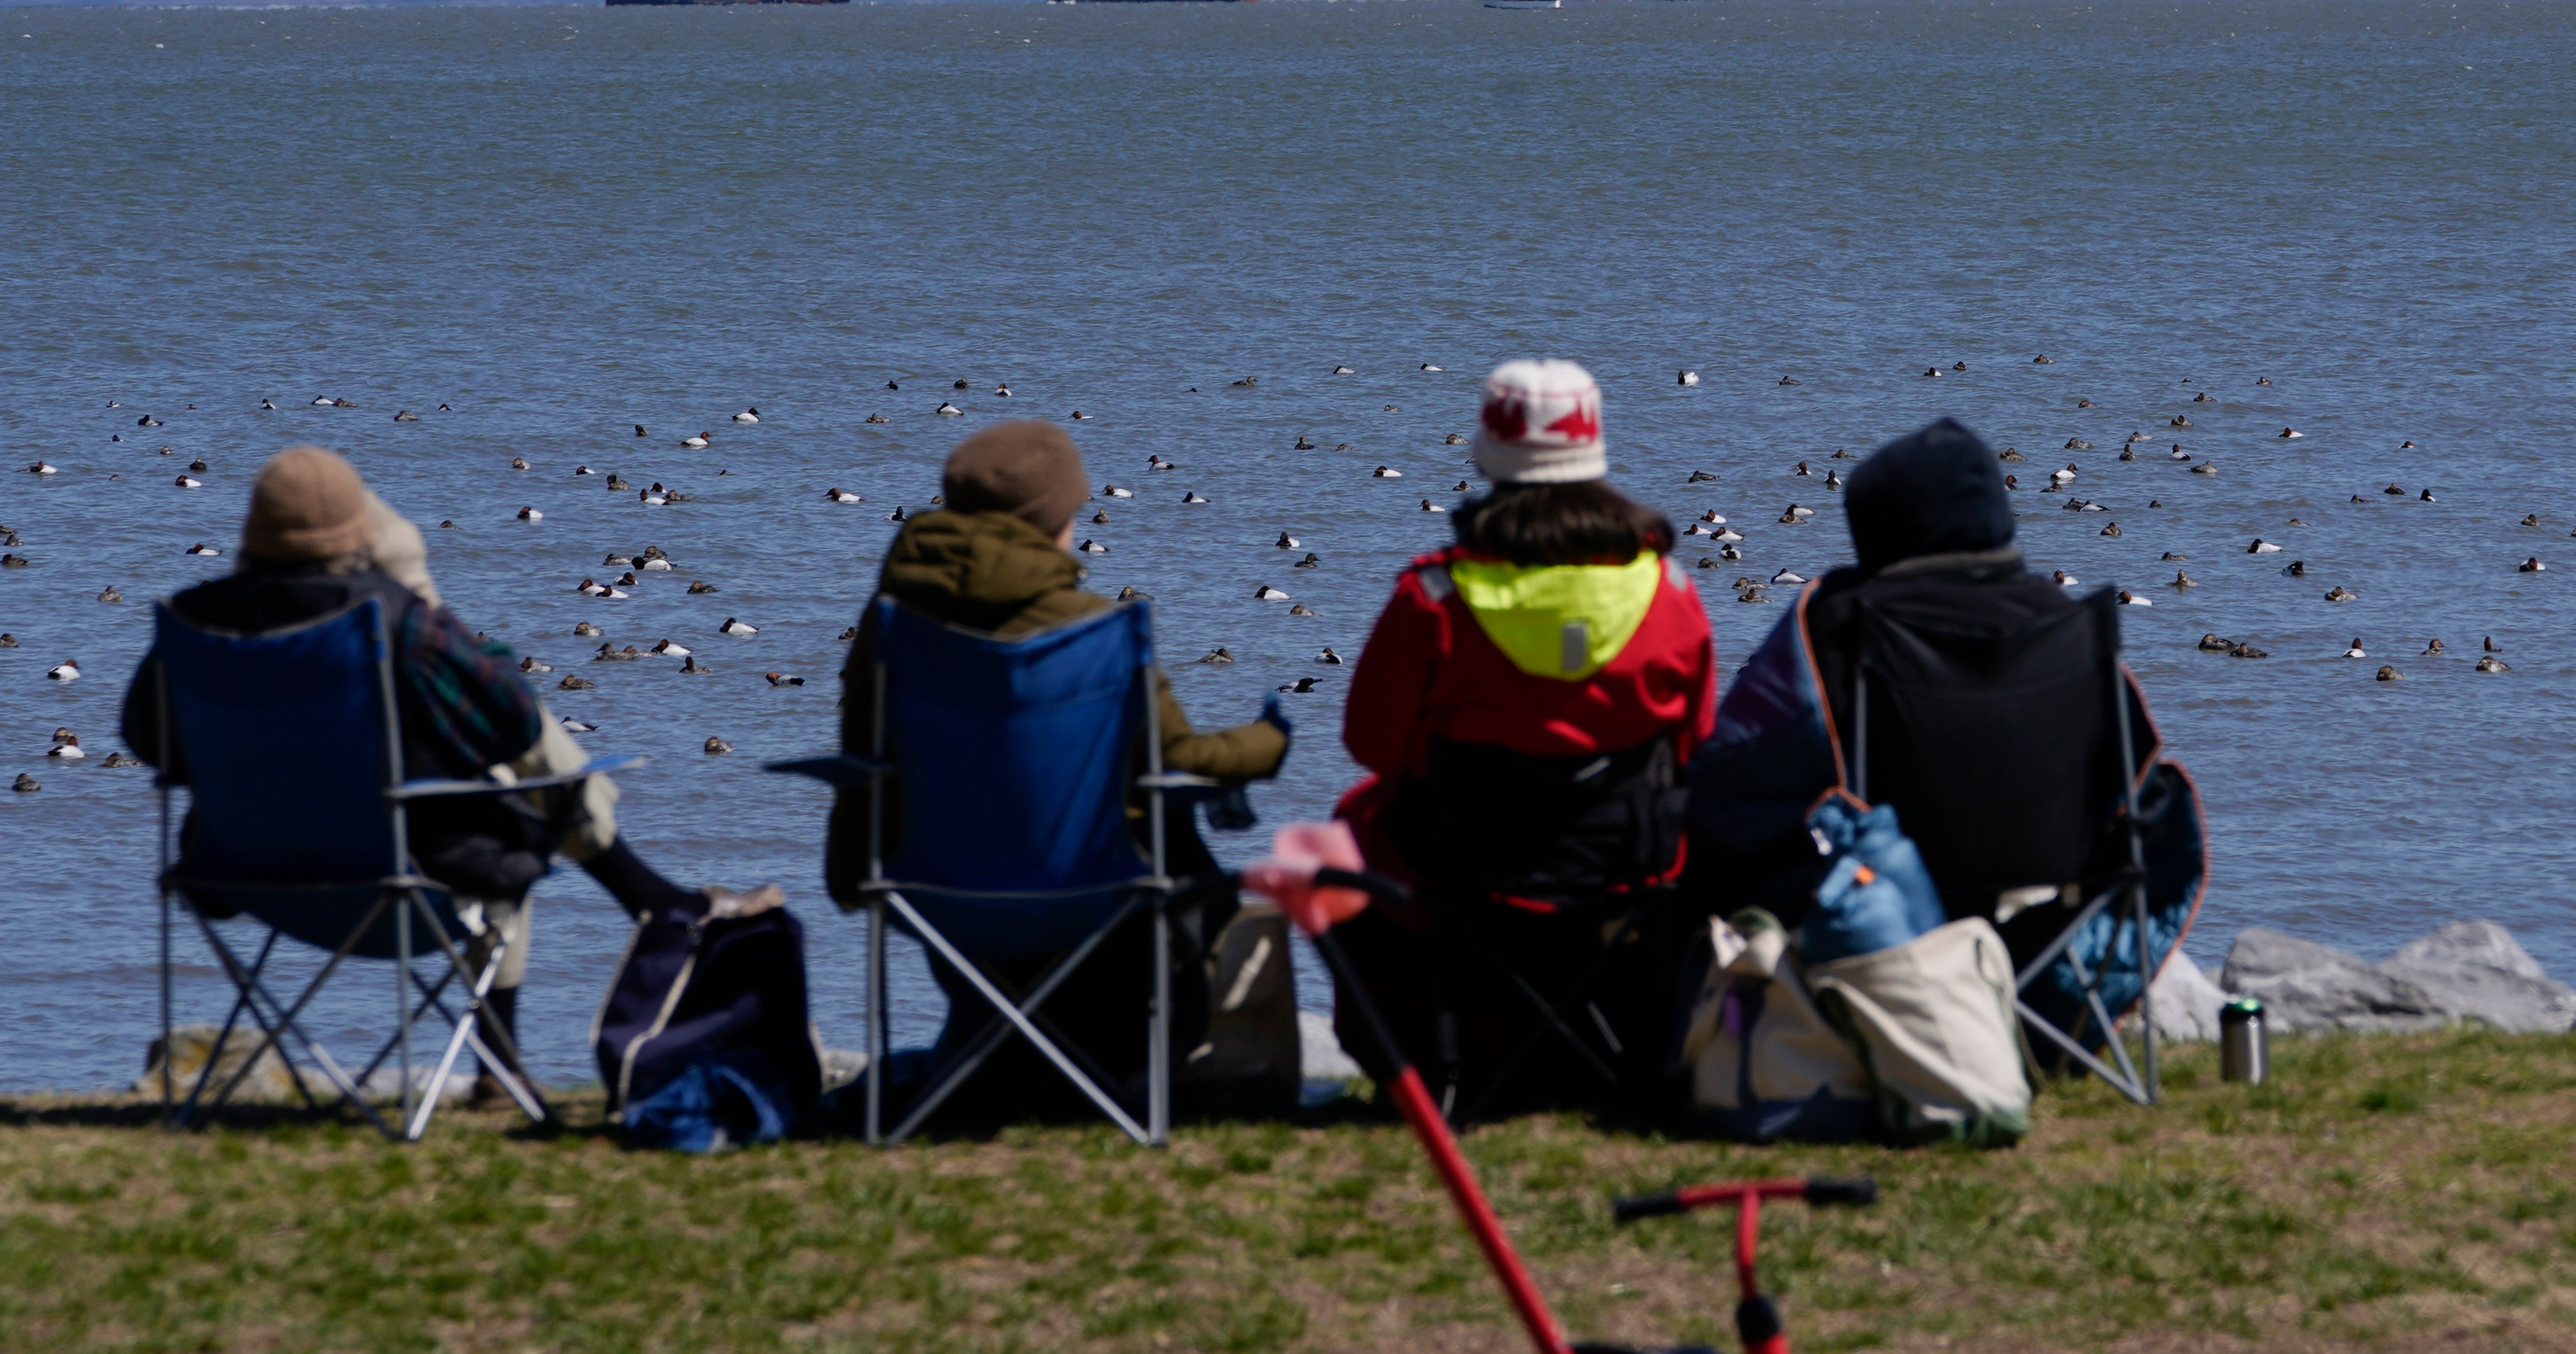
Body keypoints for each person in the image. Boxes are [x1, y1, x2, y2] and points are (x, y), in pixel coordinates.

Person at [120, 445, 733, 1089]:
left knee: (497, 801)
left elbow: (145, 738)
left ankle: (646, 899)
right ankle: (509, 1052)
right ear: (356, 534)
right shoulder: (391, 618)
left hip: (238, 875)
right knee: (507, 812)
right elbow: (513, 718)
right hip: (395, 882)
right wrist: (419, 591)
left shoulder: (191, 621)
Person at [827, 418, 1289, 1107]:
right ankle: (1114, 1062)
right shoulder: (1094, 630)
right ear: (1054, 521)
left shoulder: (894, 626)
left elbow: (861, 746)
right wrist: (1268, 740)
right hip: (1088, 889)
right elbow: (1183, 756)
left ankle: (994, 1044)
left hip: (929, 883)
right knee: (1165, 833)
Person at [1328, 358, 1715, 1111]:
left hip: (1465, 868)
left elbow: (1371, 746)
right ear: (1597, 449)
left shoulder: (1434, 594)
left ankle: (1421, 1060)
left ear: (1486, 453)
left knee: (1347, 829)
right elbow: (1696, 742)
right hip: (1620, 876)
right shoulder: (1668, 590)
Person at [1690, 417, 2093, 915]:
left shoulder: (1837, 616)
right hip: (2053, 913)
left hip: (1884, 907)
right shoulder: (2068, 624)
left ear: (1871, 523)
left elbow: (1729, 766)